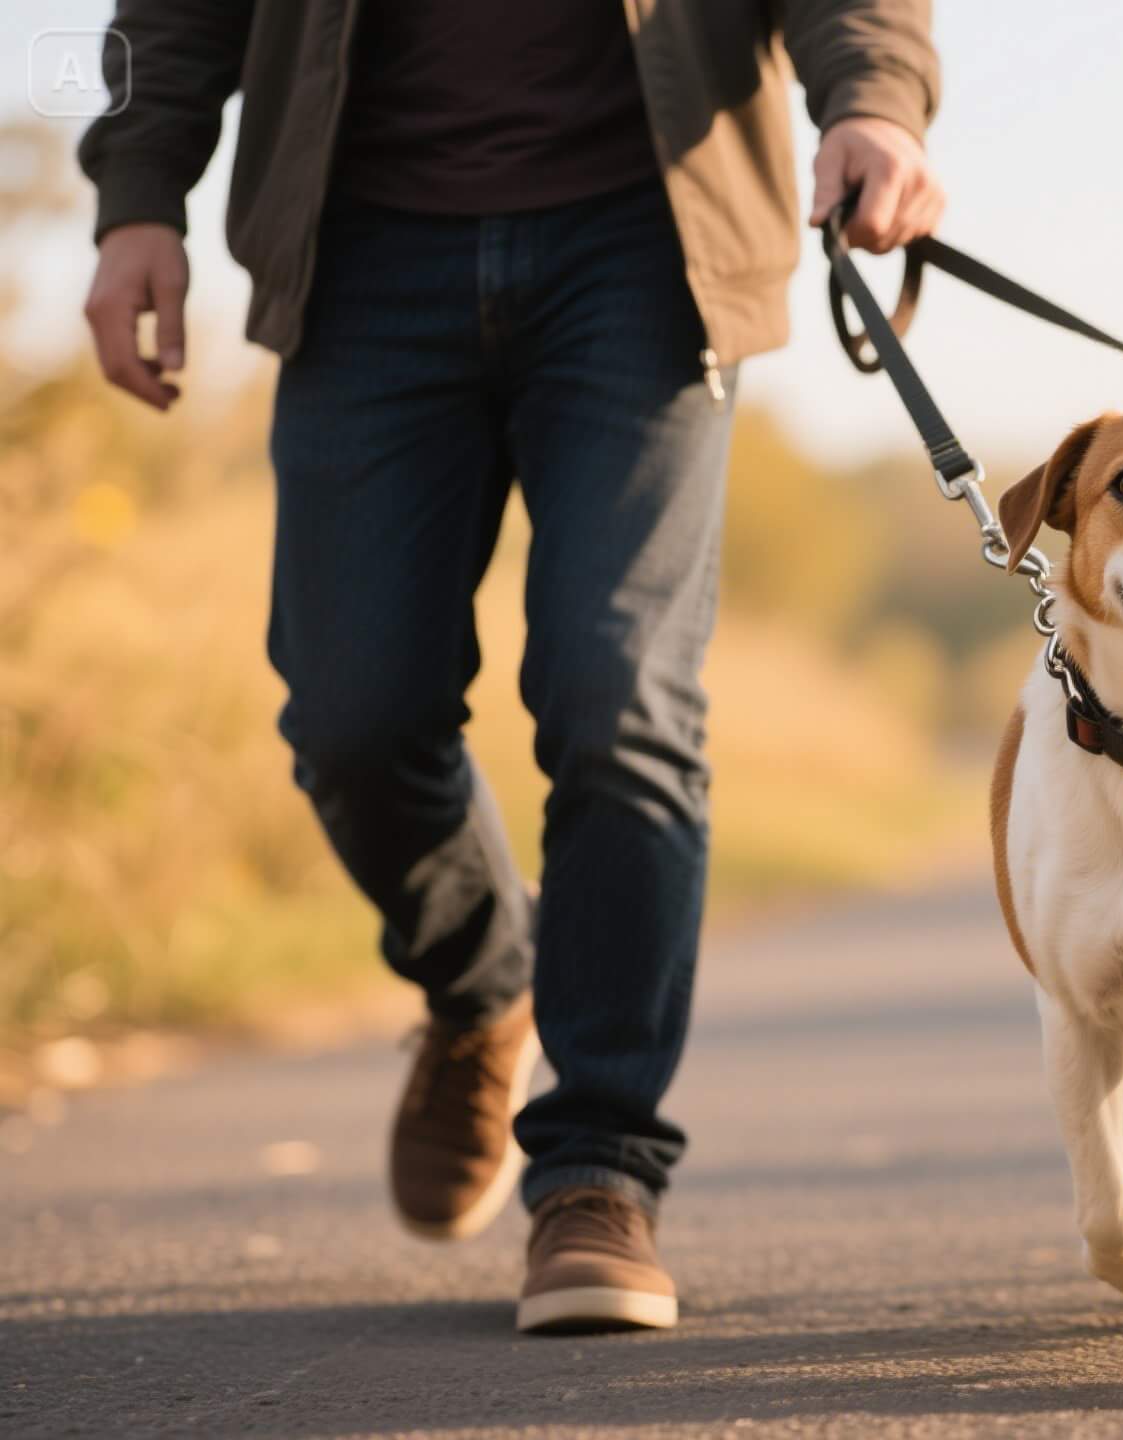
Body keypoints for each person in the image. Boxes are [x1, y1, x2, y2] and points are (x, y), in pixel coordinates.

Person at [77, 0, 943, 1335]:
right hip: (359, 242)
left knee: (621, 694)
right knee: (355, 710)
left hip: (647, 241)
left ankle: (597, 1170)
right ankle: (486, 977)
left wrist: (872, 99)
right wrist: (141, 194)